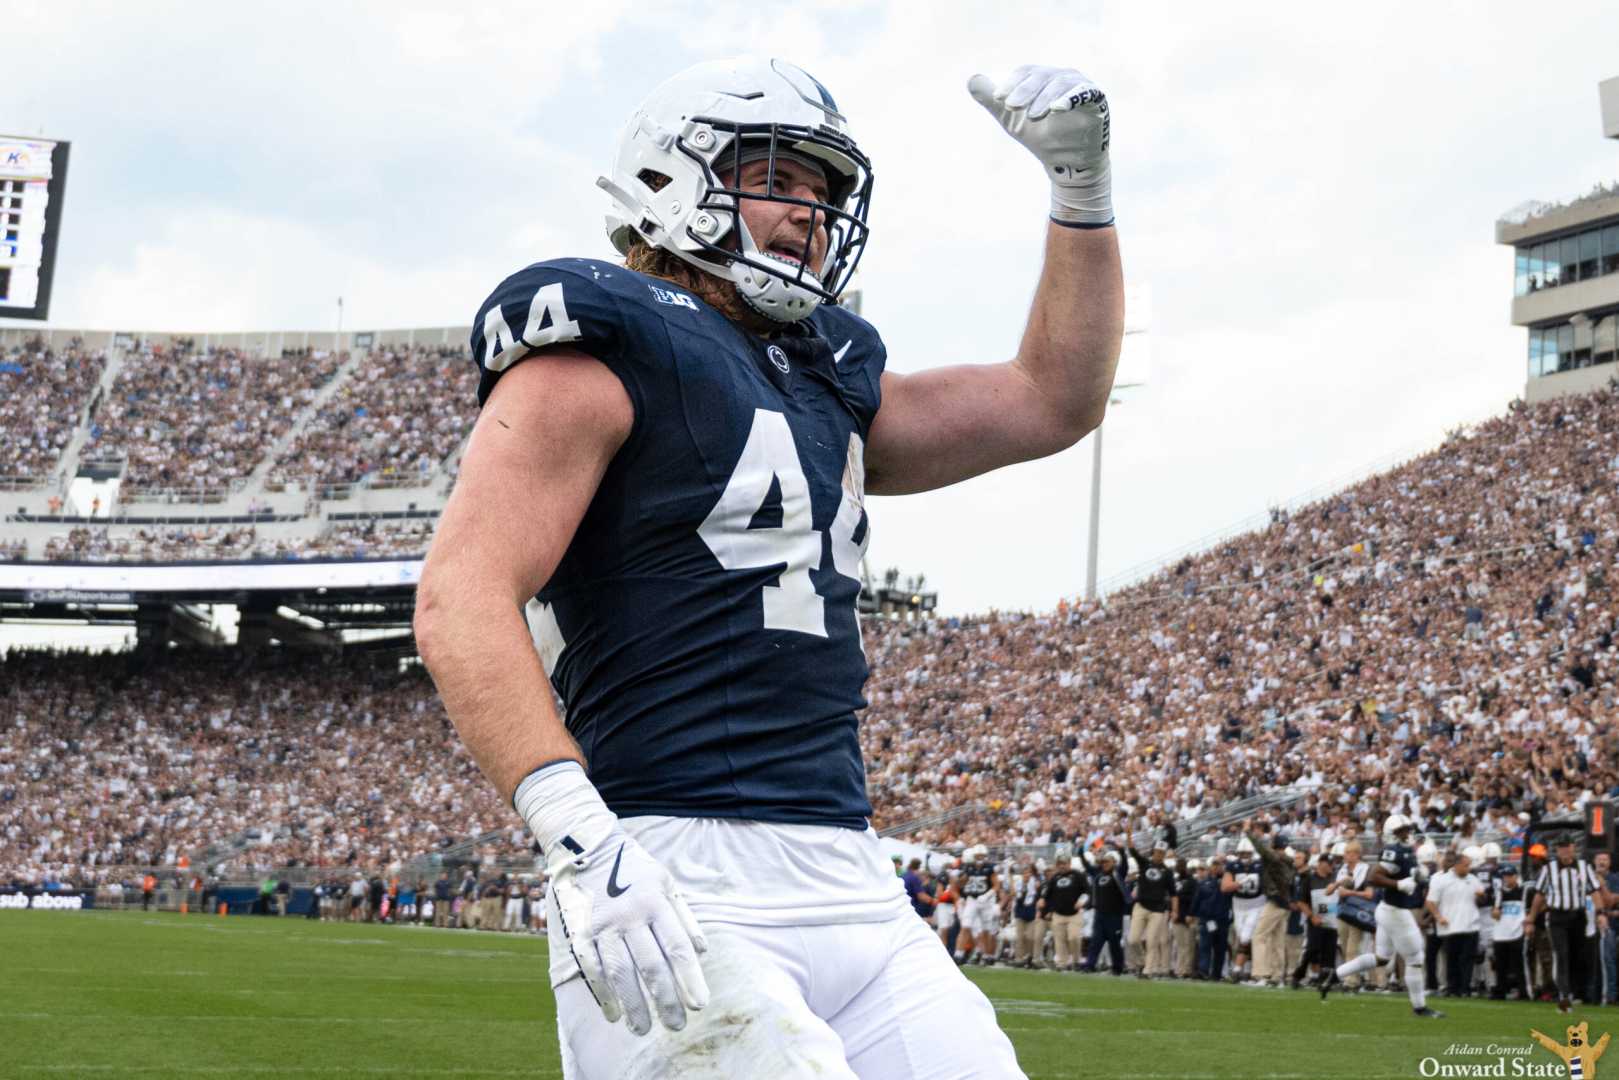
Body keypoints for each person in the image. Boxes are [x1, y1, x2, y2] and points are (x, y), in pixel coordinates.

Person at [414, 54, 1122, 1079]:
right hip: (666, 858)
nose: (810, 215)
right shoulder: (599, 346)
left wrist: (1080, 192)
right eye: (778, 181)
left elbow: (1051, 400)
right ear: (671, 180)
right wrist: (579, 836)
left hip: (850, 871)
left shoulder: (825, 375)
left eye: (824, 194)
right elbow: (459, 595)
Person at [1317, 814, 1446, 1018]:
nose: (1407, 833)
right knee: (1415, 958)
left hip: (1388, 909)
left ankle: (1336, 975)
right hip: (1395, 911)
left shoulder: (1405, 850)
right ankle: (1419, 1007)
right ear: (1393, 834)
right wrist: (1398, 884)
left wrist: (1418, 876)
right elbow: (1374, 876)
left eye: (1407, 830)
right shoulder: (1393, 851)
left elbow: (1406, 875)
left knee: (1381, 958)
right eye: (1402, 831)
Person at [1526, 835, 1614, 1014]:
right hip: (1557, 916)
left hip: (1578, 916)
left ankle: (1572, 991)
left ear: (1574, 848)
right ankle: (1564, 996)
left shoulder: (1584, 867)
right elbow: (1539, 896)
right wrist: (1530, 920)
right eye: (1561, 847)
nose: (1564, 850)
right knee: (1562, 955)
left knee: (1576, 956)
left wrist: (1600, 913)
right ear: (1556, 850)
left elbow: (1594, 891)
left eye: (1567, 846)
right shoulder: (1549, 869)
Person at [1429, 848, 1485, 997]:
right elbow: (1430, 902)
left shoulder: (1473, 880)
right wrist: (1438, 916)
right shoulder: (1441, 880)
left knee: (1467, 959)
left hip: (1471, 926)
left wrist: (1481, 897)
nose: (1468, 868)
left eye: (1469, 865)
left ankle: (1465, 988)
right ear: (1457, 865)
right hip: (1450, 927)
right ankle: (1453, 988)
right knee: (1452, 959)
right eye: (1466, 865)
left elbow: (1482, 900)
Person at [1126, 840, 1174, 978]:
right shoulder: (1145, 863)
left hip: (1158, 909)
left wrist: (1174, 910)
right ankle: (1141, 962)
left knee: (1152, 940)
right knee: (1133, 939)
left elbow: (1173, 893)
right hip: (1141, 906)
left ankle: (1148, 970)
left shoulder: (1167, 872)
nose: (1159, 854)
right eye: (1158, 851)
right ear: (1153, 851)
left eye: (1162, 853)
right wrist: (1129, 836)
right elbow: (1133, 851)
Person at [1292, 851, 1340, 988]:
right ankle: (1298, 975)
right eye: (1329, 863)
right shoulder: (1309, 879)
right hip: (1316, 921)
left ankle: (1325, 980)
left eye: (1333, 863)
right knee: (1312, 949)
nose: (1332, 866)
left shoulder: (1334, 878)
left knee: (1330, 953)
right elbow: (1301, 901)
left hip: (1332, 921)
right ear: (1321, 863)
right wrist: (1312, 916)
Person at [1079, 848, 1128, 975]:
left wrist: (1122, 852)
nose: (1105, 864)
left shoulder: (1118, 874)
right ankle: (1090, 965)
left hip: (1114, 915)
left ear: (1114, 862)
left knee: (1114, 943)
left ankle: (1117, 968)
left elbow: (1125, 865)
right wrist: (1081, 855)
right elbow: (1088, 868)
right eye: (1103, 862)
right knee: (1095, 941)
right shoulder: (1098, 874)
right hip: (1100, 914)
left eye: (1108, 862)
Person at [1038, 855, 1087, 971]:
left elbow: (1087, 891)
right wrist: (1042, 899)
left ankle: (1076, 960)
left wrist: (1082, 901)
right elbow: (1047, 893)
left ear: (1069, 863)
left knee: (1074, 938)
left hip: (1074, 914)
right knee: (1059, 940)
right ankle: (1062, 964)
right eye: (1060, 863)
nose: (1062, 866)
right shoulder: (1055, 877)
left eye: (1064, 863)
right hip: (1058, 914)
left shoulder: (1078, 876)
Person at [1192, 854, 1233, 981]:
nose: (1215, 867)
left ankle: (1217, 973)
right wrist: (1192, 914)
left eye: (1218, 865)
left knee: (1220, 948)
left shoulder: (1227, 882)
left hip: (1222, 919)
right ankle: (1203, 971)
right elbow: (1197, 899)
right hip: (1207, 919)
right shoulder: (1204, 882)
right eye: (1214, 865)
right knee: (1205, 946)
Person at [1491, 864, 1528, 1000]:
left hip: (1516, 931)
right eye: (1505, 876)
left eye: (1510, 876)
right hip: (1501, 933)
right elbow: (1495, 912)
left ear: (1516, 877)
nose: (1507, 879)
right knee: (1500, 965)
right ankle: (1501, 990)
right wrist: (1495, 910)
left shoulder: (1523, 891)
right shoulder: (1499, 892)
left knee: (1519, 965)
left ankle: (1523, 991)